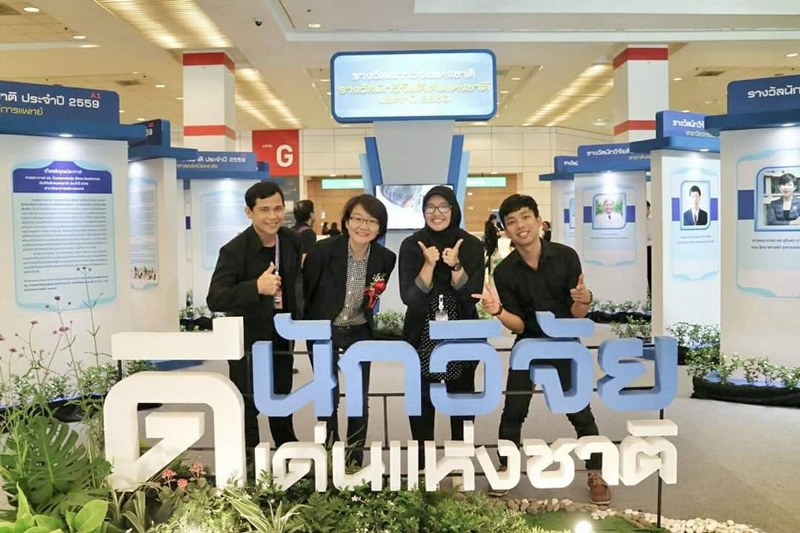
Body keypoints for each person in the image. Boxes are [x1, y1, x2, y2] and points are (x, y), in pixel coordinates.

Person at [473, 193, 611, 505]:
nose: (520, 225)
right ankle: (507, 467)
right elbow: (519, 325)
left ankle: (595, 472)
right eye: (511, 221)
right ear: (505, 229)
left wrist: (584, 299)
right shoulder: (505, 272)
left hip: (565, 343)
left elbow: (577, 315)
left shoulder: (565, 256)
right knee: (513, 410)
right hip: (529, 345)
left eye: (525, 217)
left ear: (539, 221)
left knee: (579, 410)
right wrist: (497, 311)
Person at [207, 181, 302, 461]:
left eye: (278, 209)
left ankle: (288, 458)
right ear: (249, 212)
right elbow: (215, 298)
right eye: (264, 210)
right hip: (247, 342)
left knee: (282, 399)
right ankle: (250, 463)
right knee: (247, 403)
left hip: (282, 336)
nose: (273, 216)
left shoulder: (291, 241)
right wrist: (255, 288)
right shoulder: (234, 251)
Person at [302, 194, 397, 465]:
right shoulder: (322, 252)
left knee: (359, 397)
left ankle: (354, 461)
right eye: (358, 219)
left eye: (371, 221)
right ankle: (329, 458)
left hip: (359, 331)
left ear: (380, 228)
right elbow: (306, 291)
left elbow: (373, 297)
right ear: (346, 221)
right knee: (327, 395)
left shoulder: (385, 258)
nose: (363, 226)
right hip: (325, 329)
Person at [398, 185, 484, 468]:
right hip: (421, 332)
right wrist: (428, 265)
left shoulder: (471, 245)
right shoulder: (411, 245)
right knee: (422, 401)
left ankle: (460, 467)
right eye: (430, 207)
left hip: (461, 333)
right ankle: (423, 467)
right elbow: (410, 298)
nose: (437, 213)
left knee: (462, 400)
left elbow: (471, 297)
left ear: (453, 209)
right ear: (423, 211)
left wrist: (456, 266)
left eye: (443, 206)